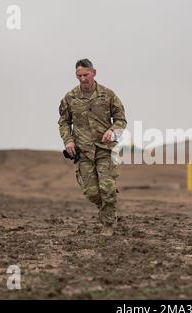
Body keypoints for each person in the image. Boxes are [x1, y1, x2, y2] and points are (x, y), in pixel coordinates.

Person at [58, 59, 127, 236]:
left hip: (105, 149)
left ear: (94, 73)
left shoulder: (108, 95)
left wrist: (112, 131)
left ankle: (108, 225)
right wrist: (69, 140)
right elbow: (64, 122)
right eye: (79, 76)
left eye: (85, 75)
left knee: (107, 188)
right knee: (91, 192)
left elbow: (121, 120)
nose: (82, 79)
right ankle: (106, 208)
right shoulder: (70, 98)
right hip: (83, 152)